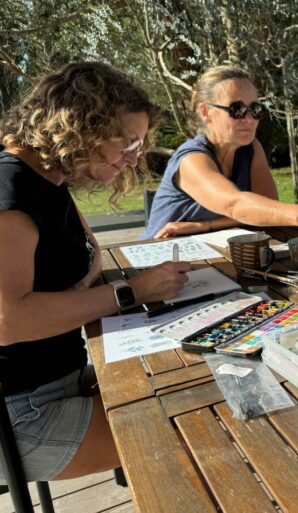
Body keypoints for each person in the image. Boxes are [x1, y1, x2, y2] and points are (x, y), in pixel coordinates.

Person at [0, 62, 191, 483]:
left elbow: (92, 256)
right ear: (83, 124)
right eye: (128, 143)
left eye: (139, 147)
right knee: (190, 428)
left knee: (190, 375)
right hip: (22, 413)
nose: (133, 159)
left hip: (58, 379)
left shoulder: (47, 178)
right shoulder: (11, 188)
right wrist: (131, 291)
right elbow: (7, 320)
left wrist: (82, 290)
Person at [141, 66, 298, 239]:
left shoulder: (250, 149)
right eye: (236, 109)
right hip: (157, 258)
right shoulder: (191, 160)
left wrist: (204, 226)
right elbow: (235, 204)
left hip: (211, 255)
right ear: (206, 112)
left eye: (255, 109)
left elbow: (268, 210)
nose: (249, 119)